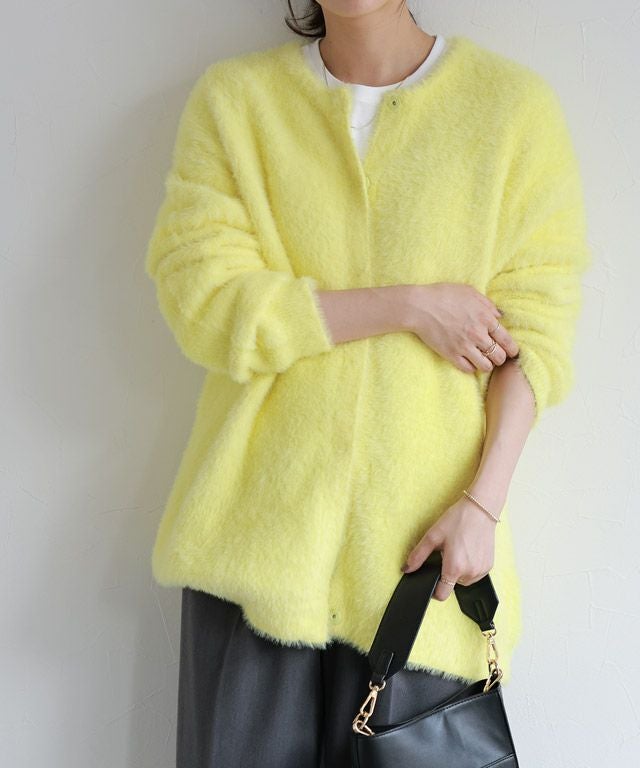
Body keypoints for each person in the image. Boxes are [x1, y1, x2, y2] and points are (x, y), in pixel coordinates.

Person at [144, 1, 591, 766]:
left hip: (427, 565)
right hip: (256, 558)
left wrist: (482, 505)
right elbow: (205, 303)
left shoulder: (511, 111)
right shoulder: (236, 102)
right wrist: (410, 306)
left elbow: (535, 338)